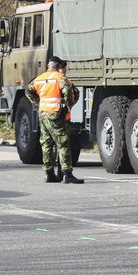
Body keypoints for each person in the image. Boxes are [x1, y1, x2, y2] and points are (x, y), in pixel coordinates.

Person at [25, 56, 83, 184]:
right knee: (62, 144)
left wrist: (38, 101)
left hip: (43, 114)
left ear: (48, 66)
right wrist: (68, 107)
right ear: (59, 67)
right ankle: (67, 173)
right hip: (57, 115)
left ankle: (49, 173)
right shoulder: (60, 78)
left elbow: (28, 91)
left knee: (46, 144)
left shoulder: (39, 79)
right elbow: (69, 92)